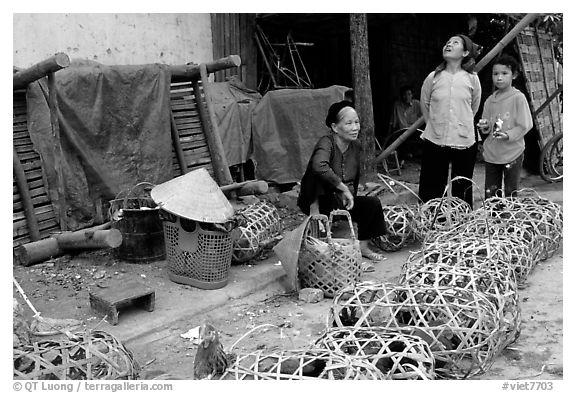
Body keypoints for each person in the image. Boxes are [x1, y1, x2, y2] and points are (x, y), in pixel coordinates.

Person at [297, 100, 387, 266]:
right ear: (335, 127)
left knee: (372, 204)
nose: (355, 127)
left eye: (357, 122)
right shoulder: (326, 142)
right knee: (316, 172)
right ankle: (315, 218)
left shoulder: (356, 146)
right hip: (319, 199)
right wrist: (342, 187)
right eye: (349, 123)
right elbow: (319, 166)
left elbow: (354, 176)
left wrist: (348, 194)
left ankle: (363, 247)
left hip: (340, 200)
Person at [418, 34, 482, 208]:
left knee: (462, 186)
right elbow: (425, 104)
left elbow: (473, 108)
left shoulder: (472, 79)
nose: (449, 45)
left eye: (455, 43)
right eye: (447, 42)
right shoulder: (433, 77)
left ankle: (461, 225)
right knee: (431, 185)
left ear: (465, 52)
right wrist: (434, 124)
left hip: (464, 140)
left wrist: (460, 122)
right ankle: (429, 223)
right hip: (435, 138)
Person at [477, 54, 533, 198]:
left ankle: (510, 218)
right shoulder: (490, 100)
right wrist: (484, 126)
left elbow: (525, 124)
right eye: (496, 74)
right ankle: (492, 218)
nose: (499, 78)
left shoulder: (518, 98)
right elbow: (487, 124)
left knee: (511, 191)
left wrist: (508, 135)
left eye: (504, 73)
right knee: (491, 192)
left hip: (513, 153)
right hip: (492, 154)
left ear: (514, 75)